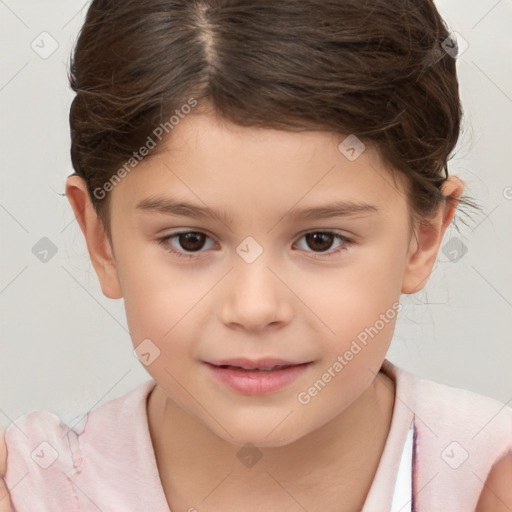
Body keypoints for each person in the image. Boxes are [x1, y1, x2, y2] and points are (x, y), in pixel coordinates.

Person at [1, 0, 511, 510]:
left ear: (422, 238)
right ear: (101, 241)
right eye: (190, 240)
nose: (254, 308)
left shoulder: (486, 476)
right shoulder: (26, 490)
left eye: (320, 240)